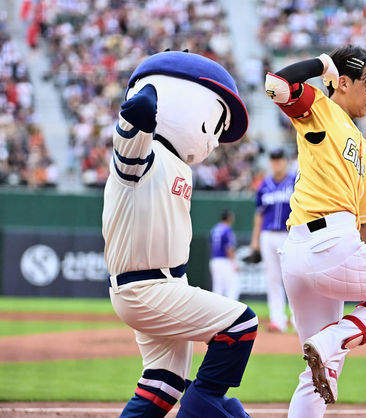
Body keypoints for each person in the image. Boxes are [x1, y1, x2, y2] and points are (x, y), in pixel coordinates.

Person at [264, 45, 366, 417]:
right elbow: (276, 85)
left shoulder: (360, 144)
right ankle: (333, 340)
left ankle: (330, 345)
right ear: (344, 82)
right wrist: (324, 64)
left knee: (319, 374)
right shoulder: (319, 108)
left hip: (302, 253)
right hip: (330, 243)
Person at [103, 51, 256, 417]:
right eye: (216, 123)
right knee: (241, 323)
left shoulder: (182, 169)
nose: (216, 140)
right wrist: (154, 91)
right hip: (145, 288)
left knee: (163, 383)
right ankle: (202, 405)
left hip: (169, 285)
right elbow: (135, 121)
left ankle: (197, 402)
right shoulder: (147, 153)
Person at [249, 148, 295, 332]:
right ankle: (278, 320)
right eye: (273, 160)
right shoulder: (264, 185)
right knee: (273, 278)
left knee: (292, 279)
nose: (276, 163)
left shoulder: (294, 181)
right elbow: (259, 214)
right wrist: (255, 240)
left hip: (289, 234)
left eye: (279, 159)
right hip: (268, 235)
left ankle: (297, 318)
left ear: (285, 161)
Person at [210, 209, 240, 300]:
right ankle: (233, 309)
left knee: (218, 288)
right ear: (229, 218)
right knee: (233, 286)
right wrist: (234, 263)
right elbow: (229, 248)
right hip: (225, 261)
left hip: (214, 260)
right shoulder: (227, 230)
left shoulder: (214, 229)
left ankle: (216, 310)